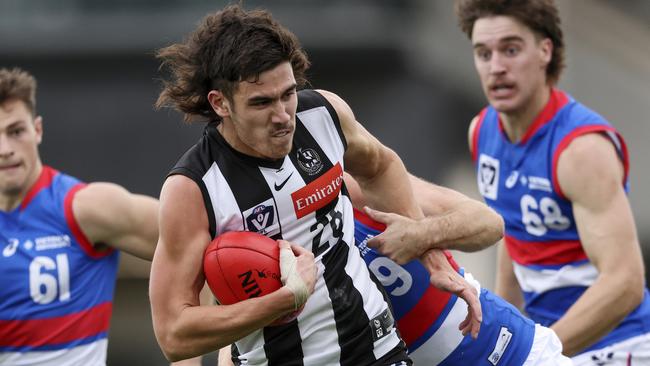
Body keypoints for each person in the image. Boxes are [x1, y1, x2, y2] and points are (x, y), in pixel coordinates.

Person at [148, 4, 481, 365]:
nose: (282, 117)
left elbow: (381, 166)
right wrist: (282, 301)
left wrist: (432, 256)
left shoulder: (323, 115)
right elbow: (174, 334)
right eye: (261, 103)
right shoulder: (193, 188)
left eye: (287, 94)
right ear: (220, 103)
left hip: (377, 352)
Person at [454, 0, 650, 363]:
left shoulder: (580, 149)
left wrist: (536, 352)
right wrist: (504, 335)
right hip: (554, 348)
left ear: (545, 50)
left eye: (511, 50)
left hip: (619, 347)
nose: (496, 67)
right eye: (484, 53)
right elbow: (512, 236)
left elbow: (625, 282)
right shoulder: (481, 131)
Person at [0, 67, 159, 366]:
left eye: (15, 131)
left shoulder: (85, 207)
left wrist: (187, 358)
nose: (5, 149)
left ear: (37, 130)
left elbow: (195, 241)